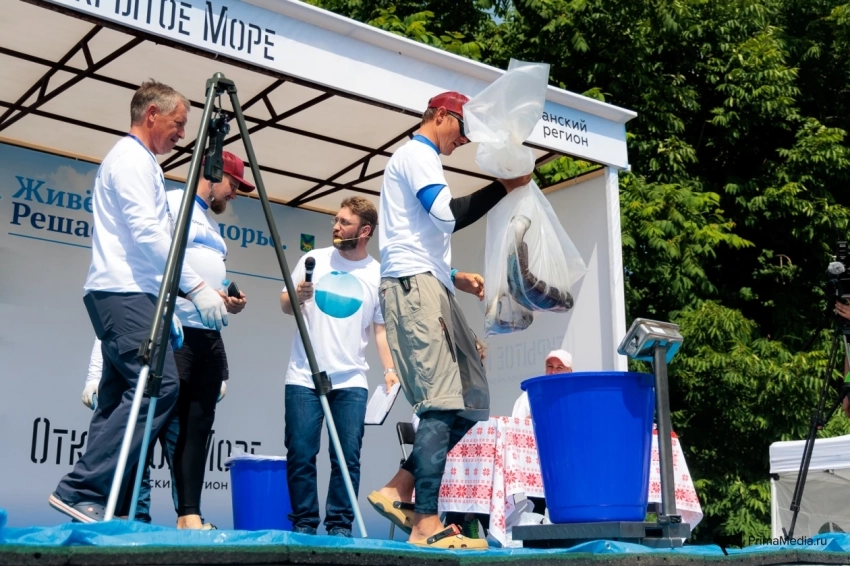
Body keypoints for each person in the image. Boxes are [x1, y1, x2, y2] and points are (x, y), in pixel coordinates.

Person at [49, 80, 228, 523]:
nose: (182, 134)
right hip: (124, 292)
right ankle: (81, 489)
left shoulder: (142, 162)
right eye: (178, 123)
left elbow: (147, 240)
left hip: (133, 293)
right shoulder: (131, 160)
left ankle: (103, 505)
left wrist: (166, 303)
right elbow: (147, 234)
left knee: (115, 398)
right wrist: (194, 287)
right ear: (152, 114)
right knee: (158, 387)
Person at [368, 90, 532, 549]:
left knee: (474, 400)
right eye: (462, 129)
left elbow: (417, 232)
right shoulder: (417, 154)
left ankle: (399, 488)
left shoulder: (423, 159)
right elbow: (445, 216)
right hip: (414, 287)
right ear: (441, 115)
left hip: (431, 283)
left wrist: (453, 274)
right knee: (441, 403)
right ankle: (424, 523)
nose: (464, 141)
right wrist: (505, 186)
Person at [280, 196, 397, 537]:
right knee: (300, 453)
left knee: (347, 458)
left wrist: (389, 370)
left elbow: (380, 329)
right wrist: (296, 296)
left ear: (365, 231)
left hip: (351, 380)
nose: (336, 226)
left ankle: (339, 527)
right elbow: (285, 303)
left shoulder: (378, 274)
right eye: (335, 219)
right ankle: (304, 524)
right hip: (304, 375)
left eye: (344, 222)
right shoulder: (314, 259)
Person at [166, 150, 249, 529]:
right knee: (153, 424)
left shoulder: (213, 228)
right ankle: (121, 509)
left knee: (198, 427)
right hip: (174, 331)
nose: (235, 193)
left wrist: (228, 300)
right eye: (233, 183)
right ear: (212, 173)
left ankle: (189, 515)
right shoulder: (173, 204)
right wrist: (195, 294)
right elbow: (157, 262)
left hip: (209, 335)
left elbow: (210, 279)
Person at [511, 349, 573, 419]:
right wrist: (532, 419)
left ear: (569, 372)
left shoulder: (575, 397)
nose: (553, 372)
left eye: (559, 368)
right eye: (550, 366)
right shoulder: (528, 396)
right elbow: (516, 424)